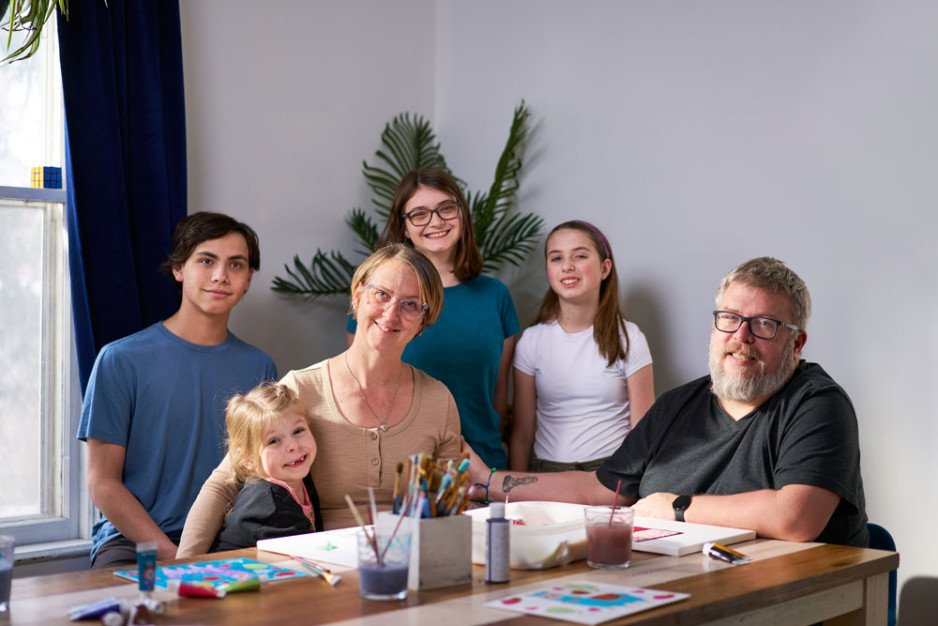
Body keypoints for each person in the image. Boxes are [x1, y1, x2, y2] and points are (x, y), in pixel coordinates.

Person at [470, 257, 868, 547]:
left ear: (796, 343)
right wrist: (488, 481)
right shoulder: (676, 405)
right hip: (682, 587)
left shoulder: (818, 404)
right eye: (730, 318)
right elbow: (600, 490)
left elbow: (795, 518)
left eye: (764, 324)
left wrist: (676, 507)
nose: (741, 337)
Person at [177, 243, 462, 556]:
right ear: (358, 295)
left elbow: (448, 505)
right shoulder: (300, 389)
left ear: (423, 320)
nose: (391, 313)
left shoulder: (438, 400)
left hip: (412, 562)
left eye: (410, 304)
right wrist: (182, 568)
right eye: (381, 294)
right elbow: (223, 484)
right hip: (320, 566)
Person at [78, 212, 278, 567]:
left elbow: (261, 476)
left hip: (226, 541)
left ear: (248, 278)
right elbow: (102, 483)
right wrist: (177, 557)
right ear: (178, 269)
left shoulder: (260, 368)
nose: (220, 276)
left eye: (235, 264)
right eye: (206, 261)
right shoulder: (119, 360)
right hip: (134, 543)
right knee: (133, 604)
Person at [347, 168, 520, 469]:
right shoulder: (376, 302)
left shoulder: (496, 296)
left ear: (462, 214)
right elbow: (362, 388)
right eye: (420, 214)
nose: (436, 221)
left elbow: (497, 393)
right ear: (404, 227)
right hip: (401, 470)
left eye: (446, 208)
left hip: (483, 466)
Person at [509, 221, 654, 472]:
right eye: (557, 258)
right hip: (548, 473)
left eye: (579, 256)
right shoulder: (531, 341)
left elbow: (644, 434)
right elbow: (522, 436)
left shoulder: (629, 338)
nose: (567, 266)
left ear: (605, 268)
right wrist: (515, 489)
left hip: (611, 472)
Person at [210, 383, 323, 552]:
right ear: (248, 459)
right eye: (274, 441)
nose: (293, 445)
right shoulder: (270, 505)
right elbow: (307, 556)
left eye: (298, 430)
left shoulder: (301, 479)